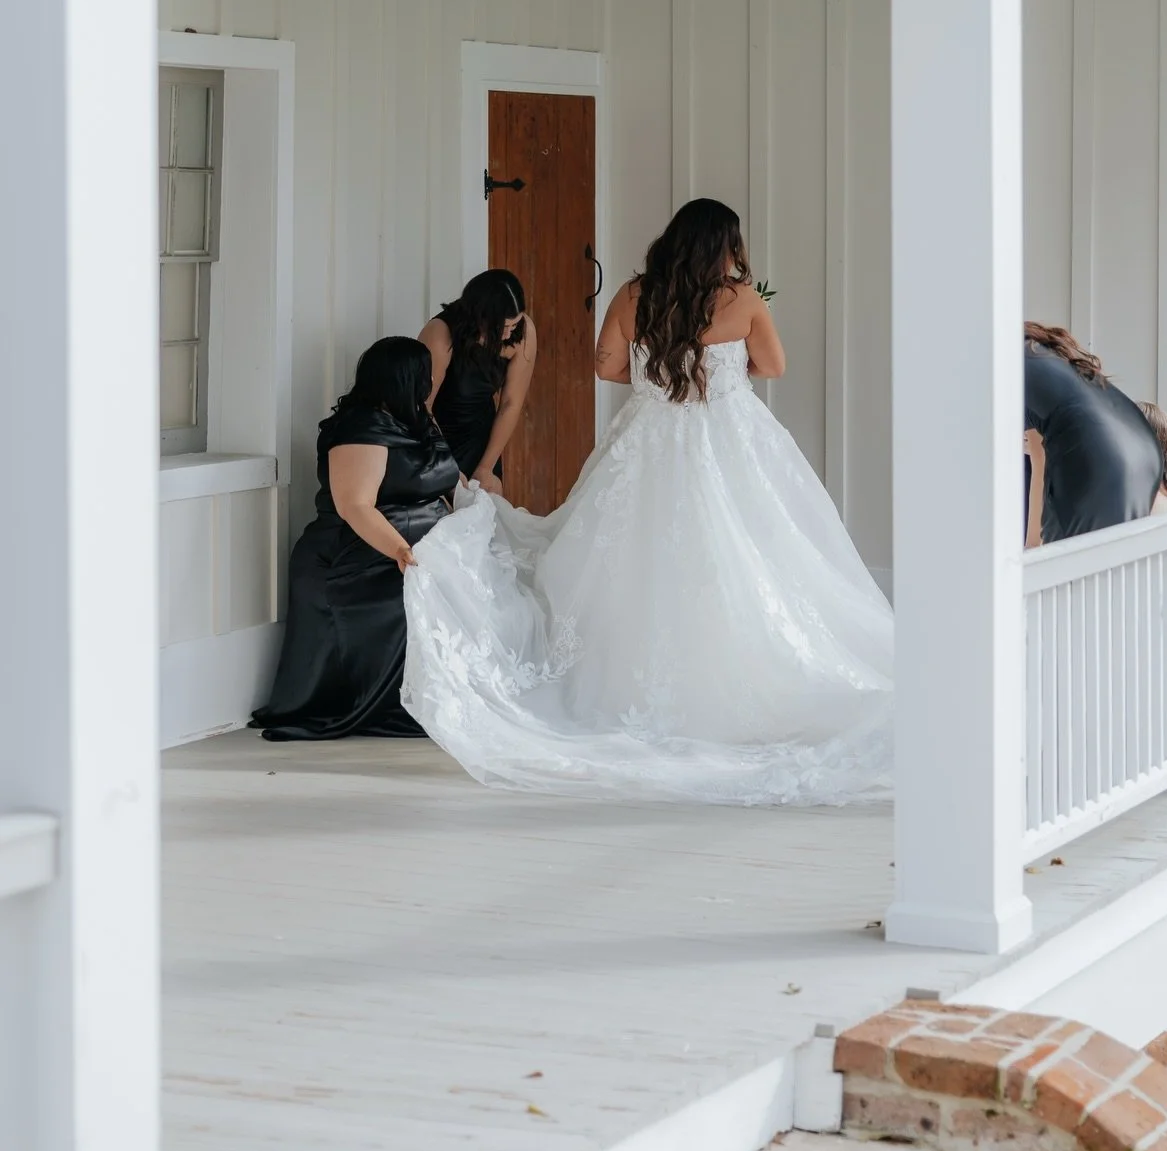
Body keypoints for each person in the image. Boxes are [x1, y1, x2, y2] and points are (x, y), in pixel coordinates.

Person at [401, 198, 893, 805]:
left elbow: (605, 366)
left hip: (650, 438)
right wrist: (725, 368)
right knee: (756, 555)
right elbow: (775, 364)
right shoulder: (742, 301)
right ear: (727, 247)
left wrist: (658, 374)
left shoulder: (634, 296)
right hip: (732, 437)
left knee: (629, 561)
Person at [251, 337, 458, 741]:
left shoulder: (416, 419)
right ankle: (387, 703)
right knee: (416, 596)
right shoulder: (361, 428)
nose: (432, 380)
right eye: (424, 373)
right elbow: (356, 505)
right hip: (356, 558)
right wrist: (403, 551)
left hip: (410, 550)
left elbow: (443, 473)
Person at [1023, 322, 1164, 544]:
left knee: (1064, 565)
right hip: (1145, 451)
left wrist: (1031, 549)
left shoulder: (1008, 365)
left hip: (1098, 455)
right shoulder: (1051, 361)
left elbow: (1038, 458)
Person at [419, 269, 535, 489]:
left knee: (489, 509)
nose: (509, 334)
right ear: (479, 316)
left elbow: (511, 403)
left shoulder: (522, 331)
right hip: (436, 434)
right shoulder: (440, 334)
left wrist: (486, 467)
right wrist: (446, 466)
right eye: (502, 327)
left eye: (515, 324)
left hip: (483, 438)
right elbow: (422, 407)